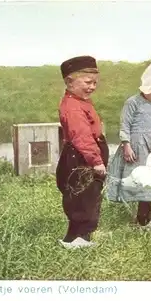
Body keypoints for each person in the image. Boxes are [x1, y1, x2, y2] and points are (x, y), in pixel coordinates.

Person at [106, 62, 151, 231]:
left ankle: (147, 213)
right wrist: (126, 145)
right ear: (145, 88)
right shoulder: (132, 103)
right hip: (138, 148)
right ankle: (143, 219)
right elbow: (125, 124)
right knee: (141, 180)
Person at [55, 55, 109, 249]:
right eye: (87, 82)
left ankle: (77, 237)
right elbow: (82, 137)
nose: (92, 87)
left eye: (95, 83)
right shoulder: (72, 107)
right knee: (83, 195)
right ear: (69, 82)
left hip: (83, 155)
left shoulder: (81, 101)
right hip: (81, 158)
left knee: (87, 194)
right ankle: (78, 239)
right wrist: (96, 161)